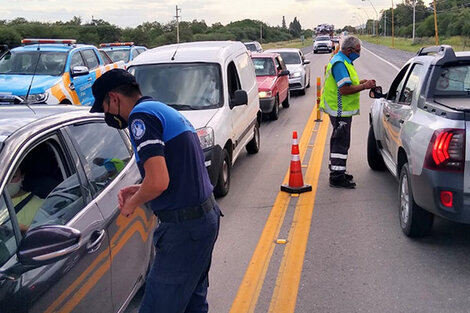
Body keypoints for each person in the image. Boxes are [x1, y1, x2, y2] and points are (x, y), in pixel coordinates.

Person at [90, 69, 221, 313]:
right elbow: (178, 172)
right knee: (193, 302)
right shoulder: (161, 110)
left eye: (104, 106)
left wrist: (133, 202)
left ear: (114, 98)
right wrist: (141, 187)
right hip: (203, 220)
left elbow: (159, 182)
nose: (106, 113)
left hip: (184, 231)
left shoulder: (140, 117)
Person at [320, 36, 376, 189]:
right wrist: (364, 87)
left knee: (339, 142)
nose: (359, 54)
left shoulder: (343, 60)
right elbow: (344, 89)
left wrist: (361, 83)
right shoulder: (339, 63)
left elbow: (347, 83)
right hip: (340, 111)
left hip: (341, 111)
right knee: (340, 143)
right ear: (349, 50)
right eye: (358, 51)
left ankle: (338, 171)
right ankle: (337, 177)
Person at [8, 167, 43, 232]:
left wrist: (24, 230)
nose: (8, 182)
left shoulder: (39, 205)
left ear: (22, 176)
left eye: (13, 177)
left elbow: (46, 234)